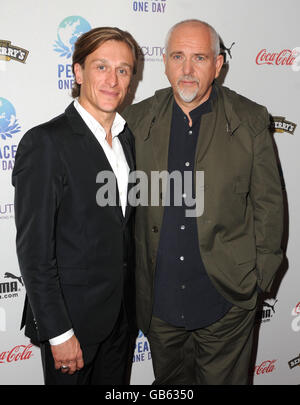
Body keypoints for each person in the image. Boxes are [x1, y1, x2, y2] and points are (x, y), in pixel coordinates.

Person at [122, 19, 284, 385]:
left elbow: (269, 206)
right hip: (160, 305)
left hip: (226, 301)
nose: (188, 69)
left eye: (200, 57)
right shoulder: (134, 120)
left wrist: (258, 280)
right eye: (178, 56)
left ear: (218, 65)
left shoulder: (250, 120)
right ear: (163, 62)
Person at [12, 26, 139, 385]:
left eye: (123, 69)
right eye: (101, 67)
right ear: (78, 72)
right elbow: (34, 252)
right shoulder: (46, 143)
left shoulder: (126, 140)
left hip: (120, 322)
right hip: (72, 328)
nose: (112, 79)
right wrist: (58, 333)